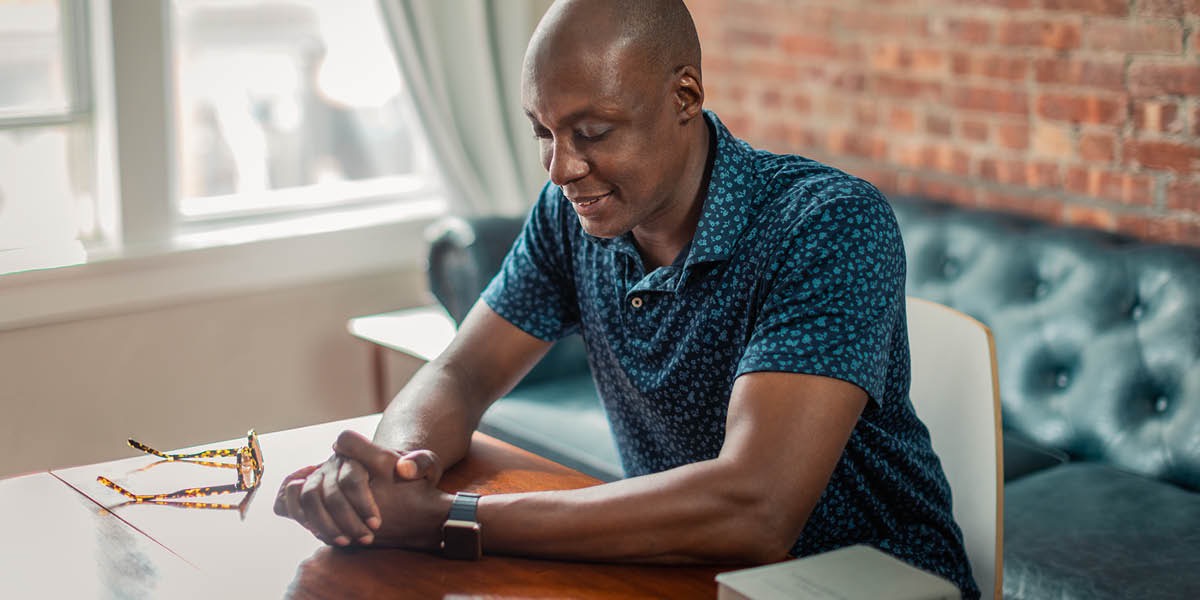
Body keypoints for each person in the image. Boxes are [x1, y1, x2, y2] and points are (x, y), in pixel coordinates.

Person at [275, 0, 977, 596]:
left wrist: (444, 519)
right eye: (543, 134)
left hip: (859, 580)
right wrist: (391, 475)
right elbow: (463, 371)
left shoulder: (826, 223)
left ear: (685, 97)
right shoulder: (572, 218)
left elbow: (755, 507)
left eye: (592, 132)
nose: (561, 169)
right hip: (688, 574)